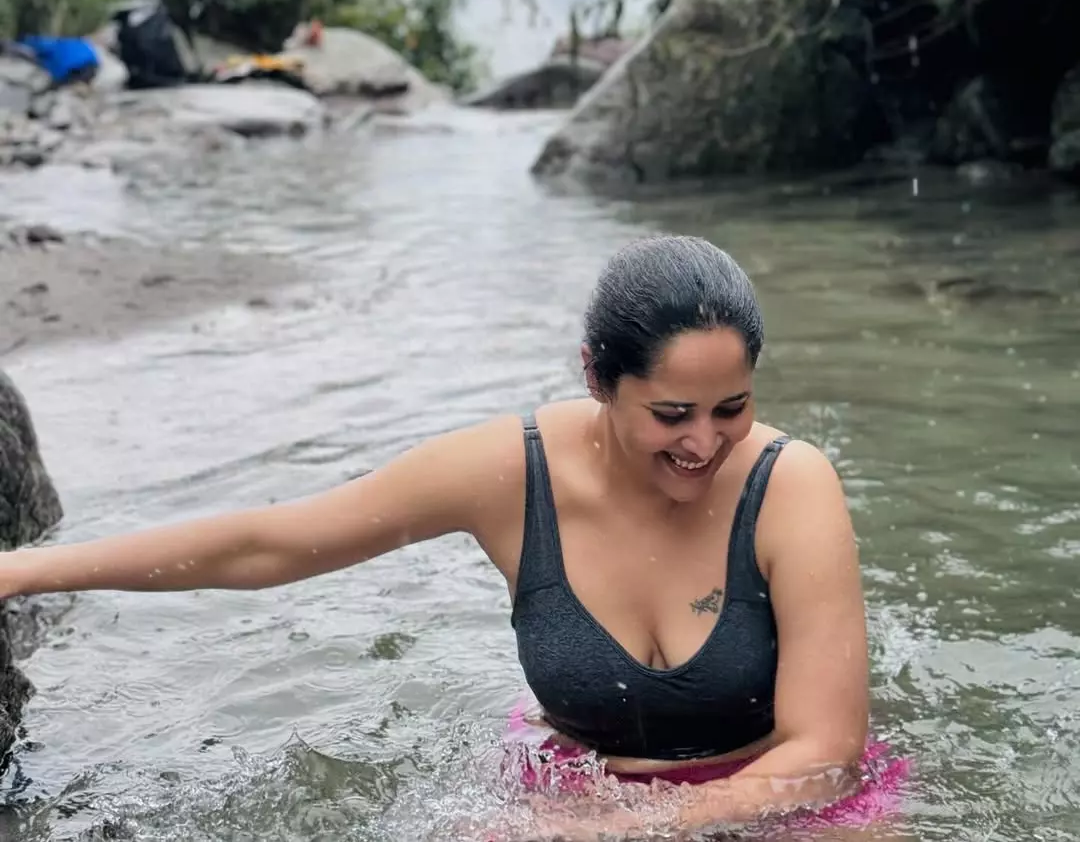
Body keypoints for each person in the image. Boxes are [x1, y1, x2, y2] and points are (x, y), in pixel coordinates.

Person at [0, 236, 903, 839]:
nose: (704, 443)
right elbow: (271, 545)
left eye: (732, 408)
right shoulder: (508, 474)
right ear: (595, 376)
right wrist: (23, 570)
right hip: (581, 794)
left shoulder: (792, 485)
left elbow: (823, 757)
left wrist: (611, 829)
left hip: (783, 810)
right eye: (671, 414)